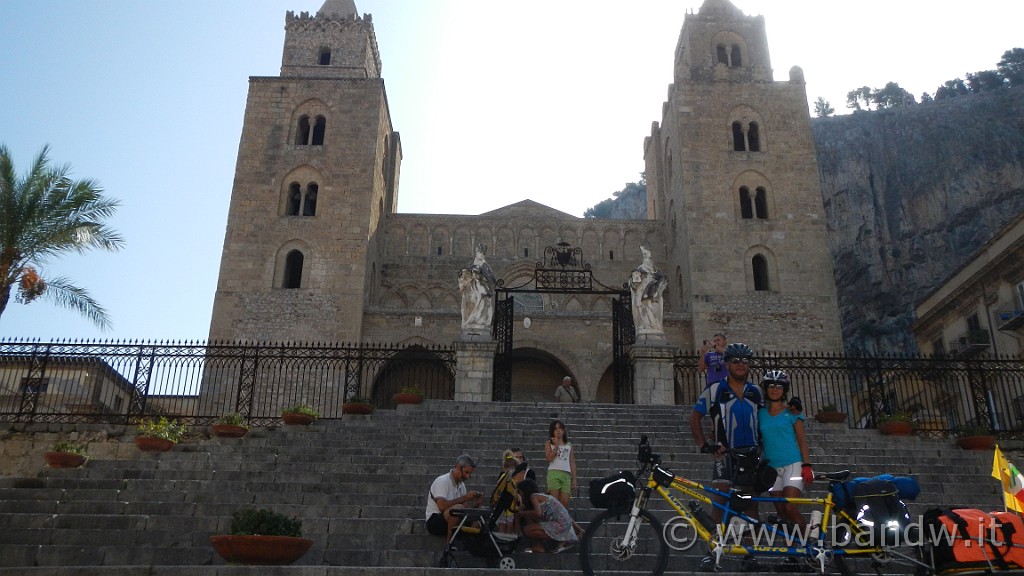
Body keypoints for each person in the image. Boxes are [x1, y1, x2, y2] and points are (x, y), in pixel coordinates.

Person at [690, 342, 763, 570]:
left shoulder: (756, 391)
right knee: (720, 503)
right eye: (736, 361)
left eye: (745, 361)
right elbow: (695, 417)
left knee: (750, 506)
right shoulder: (714, 390)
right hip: (725, 455)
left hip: (750, 456)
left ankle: (750, 555)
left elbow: (766, 418)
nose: (741, 365)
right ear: (727, 364)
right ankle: (714, 553)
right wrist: (705, 445)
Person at [758, 370, 813, 529]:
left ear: (784, 390)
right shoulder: (760, 413)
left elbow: (802, 440)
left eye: (779, 386)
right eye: (771, 386)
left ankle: (807, 544)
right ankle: (793, 549)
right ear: (766, 389)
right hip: (771, 468)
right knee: (781, 512)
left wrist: (807, 465)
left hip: (792, 465)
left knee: (790, 507)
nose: (775, 389)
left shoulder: (793, 412)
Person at [425, 454, 484, 538]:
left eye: (470, 474)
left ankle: (470, 542)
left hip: (454, 519)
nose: (467, 477)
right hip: (435, 521)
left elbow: (464, 508)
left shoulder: (462, 486)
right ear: (458, 466)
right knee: (458, 508)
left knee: (479, 512)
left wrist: (476, 504)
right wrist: (464, 497)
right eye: (466, 472)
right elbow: (442, 507)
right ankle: (449, 544)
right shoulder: (442, 481)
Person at [515, 478, 578, 553]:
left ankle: (562, 539)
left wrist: (523, 513)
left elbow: (538, 513)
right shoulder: (537, 498)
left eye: (519, 492)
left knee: (528, 529)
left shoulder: (533, 497)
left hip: (561, 527)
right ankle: (539, 547)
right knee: (528, 518)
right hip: (561, 524)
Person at [545, 420, 577, 508]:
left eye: (560, 428)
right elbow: (549, 458)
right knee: (554, 501)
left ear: (564, 430)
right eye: (555, 429)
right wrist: (556, 446)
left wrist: (574, 478)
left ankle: (563, 520)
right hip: (554, 473)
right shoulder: (549, 444)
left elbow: (572, 462)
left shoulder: (569, 445)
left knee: (565, 501)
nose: (558, 431)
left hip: (566, 474)